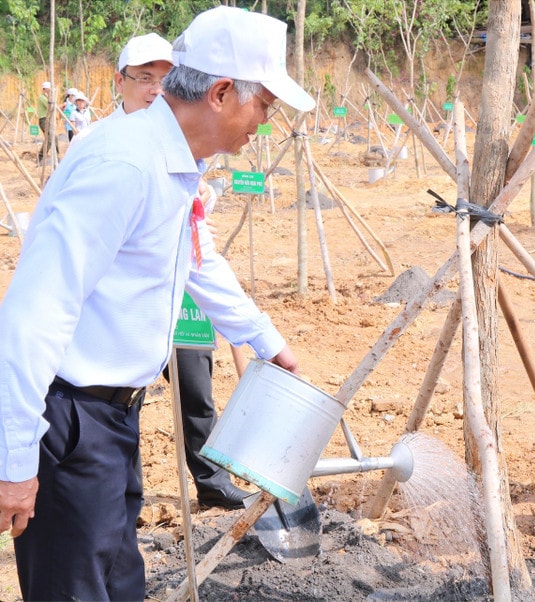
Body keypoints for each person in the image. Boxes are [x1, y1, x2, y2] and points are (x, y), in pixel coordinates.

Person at [0, 6, 315, 601]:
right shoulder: (123, 164)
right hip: (69, 425)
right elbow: (34, 314)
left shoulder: (177, 163)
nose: (265, 125)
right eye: (265, 106)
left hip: (113, 420)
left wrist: (263, 340)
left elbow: (197, 258)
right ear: (222, 92)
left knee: (120, 586)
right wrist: (14, 460)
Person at [110, 31, 250, 510]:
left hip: (184, 290)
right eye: (143, 78)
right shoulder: (104, 148)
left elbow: (196, 237)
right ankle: (127, 491)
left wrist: (201, 196)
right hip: (128, 303)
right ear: (120, 82)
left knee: (196, 384)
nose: (154, 89)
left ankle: (210, 480)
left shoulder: (189, 145)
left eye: (165, 79)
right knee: (123, 396)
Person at [35, 81, 58, 162]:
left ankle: (56, 155)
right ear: (45, 90)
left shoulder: (47, 98)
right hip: (44, 120)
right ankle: (40, 157)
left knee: (54, 137)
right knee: (49, 139)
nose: (50, 92)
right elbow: (50, 107)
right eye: (49, 90)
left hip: (48, 119)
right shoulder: (42, 98)